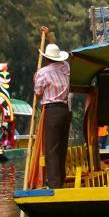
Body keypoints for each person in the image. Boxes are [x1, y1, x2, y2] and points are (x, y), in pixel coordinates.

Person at [33, 42, 71, 189]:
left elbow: (38, 94)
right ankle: (60, 179)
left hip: (52, 111)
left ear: (46, 59)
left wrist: (36, 78)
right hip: (65, 110)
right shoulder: (66, 67)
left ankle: (55, 185)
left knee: (52, 149)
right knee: (61, 147)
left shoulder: (43, 72)